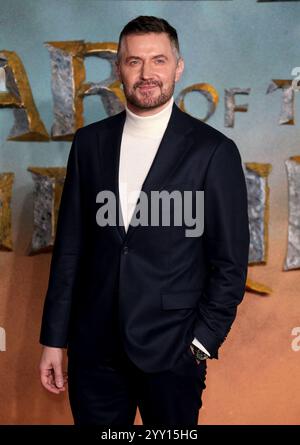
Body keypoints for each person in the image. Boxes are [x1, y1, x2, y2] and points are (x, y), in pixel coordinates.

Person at [39, 15, 250, 426]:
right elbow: (70, 250)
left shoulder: (212, 152)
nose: (147, 73)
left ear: (178, 66)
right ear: (119, 68)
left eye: (158, 60)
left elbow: (229, 261)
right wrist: (53, 339)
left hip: (173, 350)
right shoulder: (89, 144)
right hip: (94, 351)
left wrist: (201, 342)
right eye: (134, 61)